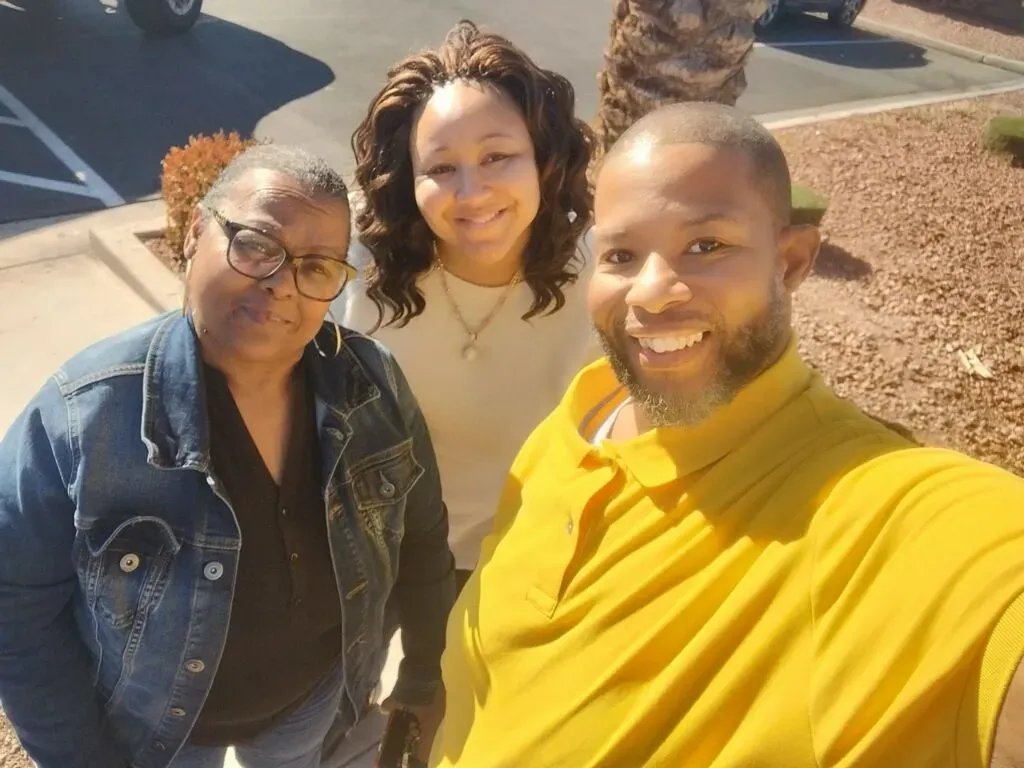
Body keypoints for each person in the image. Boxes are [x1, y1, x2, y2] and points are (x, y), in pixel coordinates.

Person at [430, 102, 1024, 768]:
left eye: (705, 245)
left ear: (792, 261)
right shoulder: (578, 417)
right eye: (622, 254)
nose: (650, 293)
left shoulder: (872, 507)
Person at [0, 145, 455, 768]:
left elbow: (423, 535)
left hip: (312, 705)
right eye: (256, 244)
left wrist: (426, 669)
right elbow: (15, 606)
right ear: (194, 233)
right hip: (159, 733)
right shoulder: (84, 416)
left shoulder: (372, 388)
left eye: (317, 267)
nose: (279, 284)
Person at [332, 19, 599, 588]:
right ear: (408, 178)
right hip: (371, 555)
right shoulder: (356, 266)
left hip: (529, 561)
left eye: (498, 156)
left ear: (544, 160)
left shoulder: (602, 275)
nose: (472, 194)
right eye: (441, 168)